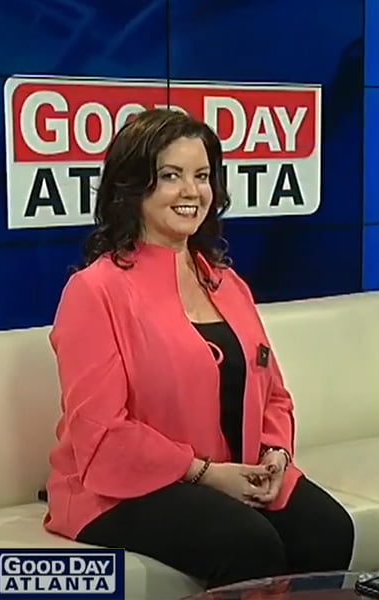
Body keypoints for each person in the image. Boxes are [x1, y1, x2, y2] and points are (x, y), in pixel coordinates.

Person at [42, 108, 355, 590]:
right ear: (133, 186)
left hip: (232, 472)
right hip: (118, 489)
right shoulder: (95, 291)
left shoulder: (227, 284)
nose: (192, 192)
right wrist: (206, 473)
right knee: (248, 544)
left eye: (202, 176)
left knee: (328, 530)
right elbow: (101, 432)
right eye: (171, 176)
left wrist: (276, 455)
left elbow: (273, 394)